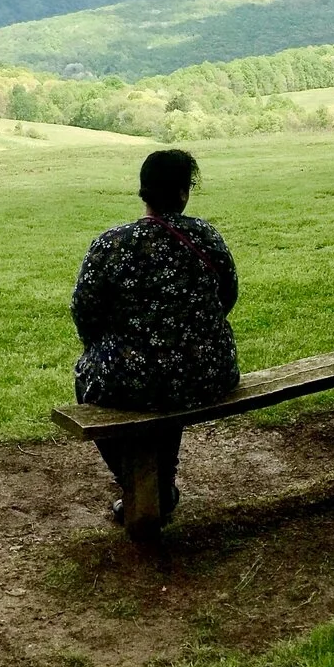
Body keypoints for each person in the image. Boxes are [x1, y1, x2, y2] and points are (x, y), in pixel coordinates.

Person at [70, 148, 240, 526]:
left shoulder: (111, 244)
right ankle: (160, 482)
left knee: (91, 377)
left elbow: (85, 311)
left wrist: (106, 347)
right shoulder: (207, 235)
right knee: (171, 372)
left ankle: (140, 483)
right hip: (210, 372)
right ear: (183, 193)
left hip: (136, 379)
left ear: (143, 192)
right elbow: (227, 296)